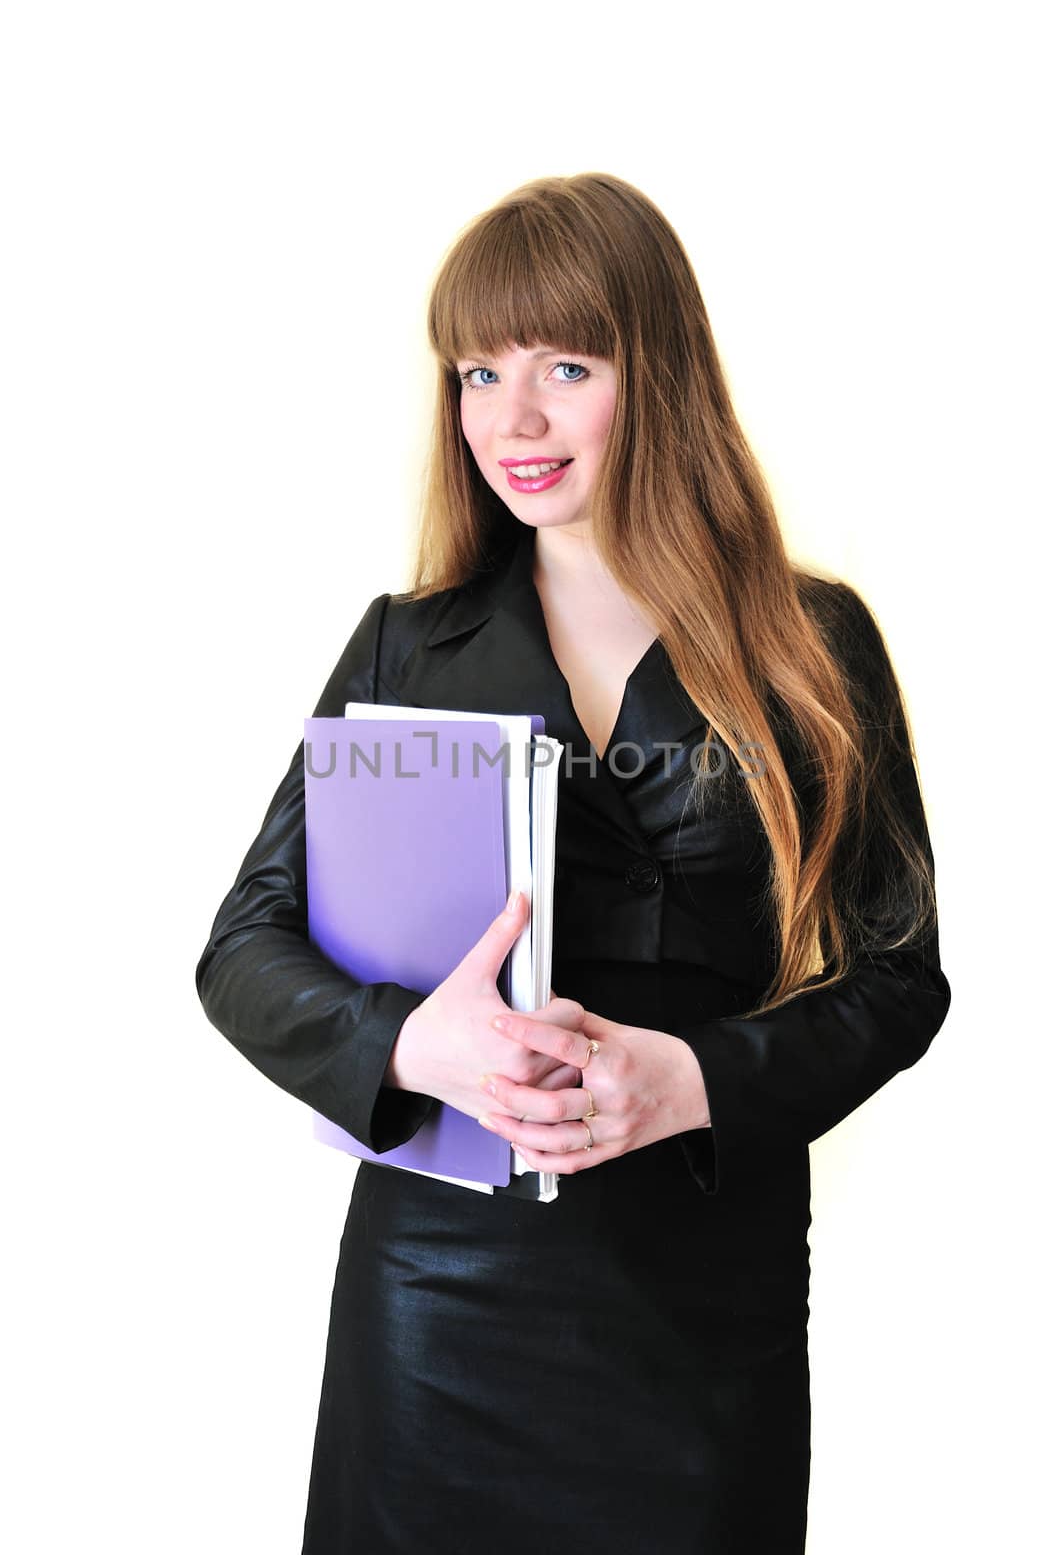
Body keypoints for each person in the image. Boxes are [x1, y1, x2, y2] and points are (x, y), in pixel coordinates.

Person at [195, 172, 951, 1554]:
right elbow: (240, 951)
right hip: (435, 1313)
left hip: (697, 1324)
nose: (513, 419)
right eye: (478, 370)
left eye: (565, 365)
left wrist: (699, 1077)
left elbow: (900, 980)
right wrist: (413, 1048)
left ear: (654, 371)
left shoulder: (813, 648)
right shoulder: (403, 646)